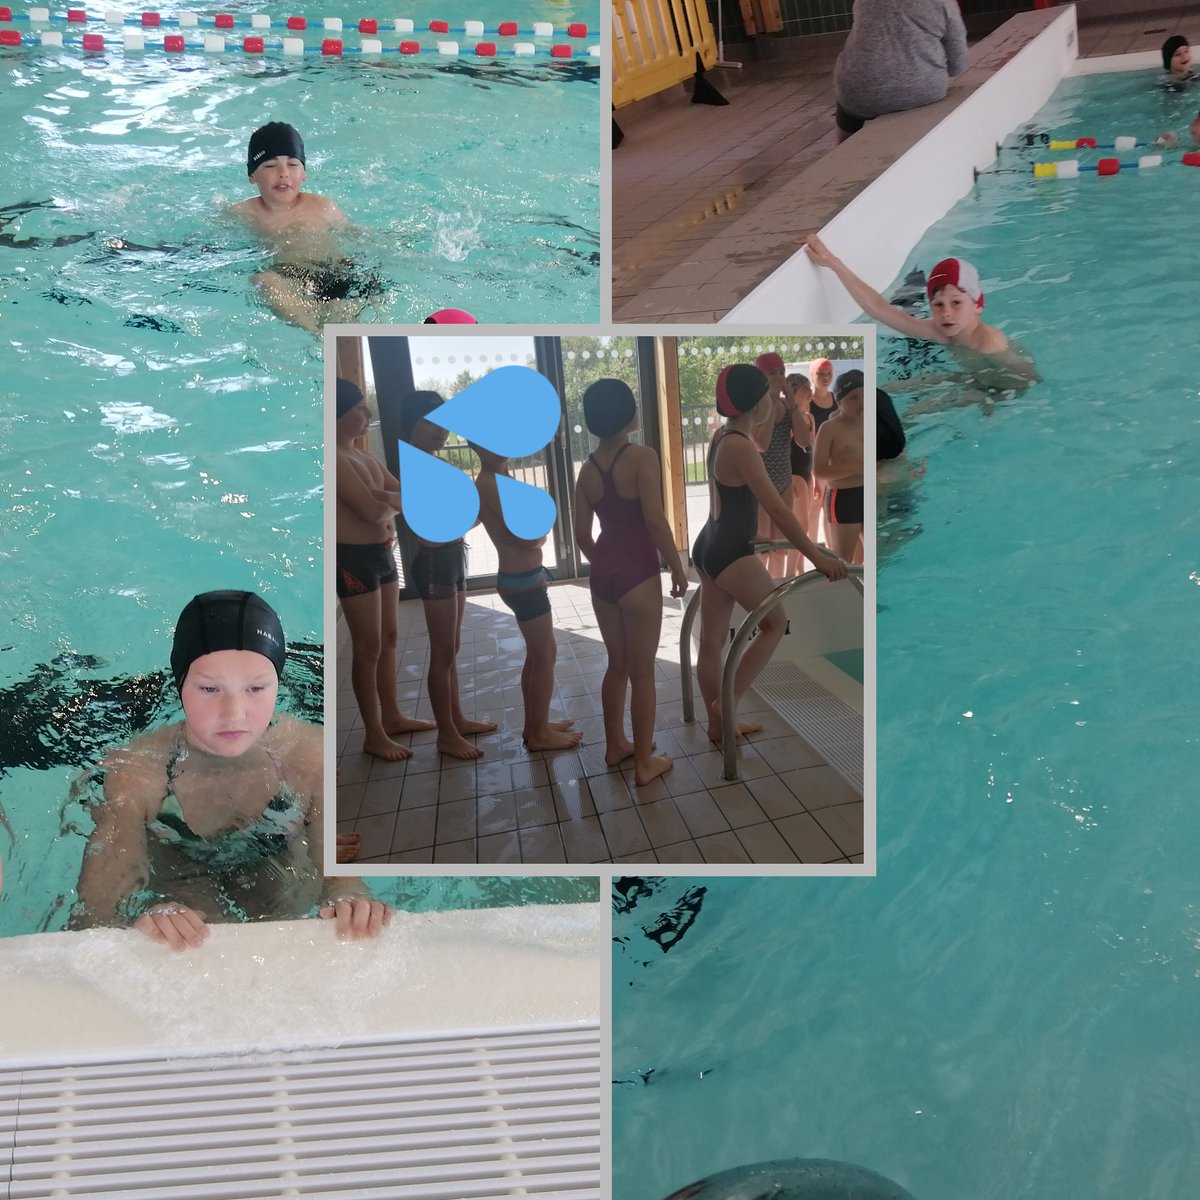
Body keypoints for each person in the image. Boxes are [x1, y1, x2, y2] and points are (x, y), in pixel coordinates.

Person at [71, 590, 390, 950]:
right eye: (209, 688)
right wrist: (143, 915)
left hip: (275, 855)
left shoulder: (309, 754)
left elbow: (342, 884)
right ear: (180, 686)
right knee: (187, 938)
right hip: (179, 863)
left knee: (288, 929)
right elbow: (93, 916)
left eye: (256, 687)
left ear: (278, 684)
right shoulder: (140, 769)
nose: (234, 713)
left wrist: (349, 896)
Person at [692, 365, 848, 745]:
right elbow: (778, 509)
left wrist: (753, 533)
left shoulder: (722, 437)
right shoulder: (742, 447)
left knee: (712, 642)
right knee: (774, 623)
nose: (774, 400)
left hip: (711, 542)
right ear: (755, 403)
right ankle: (725, 705)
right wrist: (817, 556)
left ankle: (719, 725)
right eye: (769, 394)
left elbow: (727, 500)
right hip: (730, 551)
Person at [573, 379, 689, 786]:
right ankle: (643, 763)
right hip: (638, 572)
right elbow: (654, 520)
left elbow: (581, 535)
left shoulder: (586, 470)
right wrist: (677, 567)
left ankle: (615, 746)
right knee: (642, 672)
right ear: (627, 414)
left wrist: (606, 562)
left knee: (617, 665)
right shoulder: (642, 456)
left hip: (603, 573)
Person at [805, 236, 1040, 405]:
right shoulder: (940, 330)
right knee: (885, 391)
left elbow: (1029, 378)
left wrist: (989, 399)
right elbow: (880, 309)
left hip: (1005, 390)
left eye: (956, 303)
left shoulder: (989, 343)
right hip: (975, 380)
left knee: (916, 412)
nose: (946, 313)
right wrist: (834, 264)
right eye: (938, 305)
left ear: (977, 305)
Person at [335, 378, 436, 762]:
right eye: (359, 408)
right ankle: (373, 734)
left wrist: (387, 499)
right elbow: (372, 511)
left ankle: (392, 716)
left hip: (381, 556)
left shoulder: (364, 458)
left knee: (389, 638)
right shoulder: (335, 459)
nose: (368, 414)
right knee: (368, 646)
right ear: (337, 414)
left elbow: (406, 495)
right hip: (353, 560)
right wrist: (389, 501)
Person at [402, 393, 498, 760]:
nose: (441, 430)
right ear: (411, 424)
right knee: (442, 652)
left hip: (453, 556)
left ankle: (456, 719)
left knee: (451, 648)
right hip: (436, 563)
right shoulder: (417, 467)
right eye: (432, 422)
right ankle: (446, 735)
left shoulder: (435, 464)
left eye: (444, 423)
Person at [473, 447, 583, 753]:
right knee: (545, 654)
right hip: (520, 582)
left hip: (526, 577)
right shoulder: (489, 484)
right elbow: (529, 537)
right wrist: (541, 532)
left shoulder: (500, 477)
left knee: (538, 654)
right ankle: (539, 735)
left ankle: (536, 725)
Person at [226, 122, 379, 333]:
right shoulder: (242, 213)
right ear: (252, 175)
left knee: (342, 320)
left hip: (336, 273)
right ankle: (316, 333)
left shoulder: (323, 207)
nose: (283, 173)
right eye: (270, 165)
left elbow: (356, 236)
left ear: (304, 173)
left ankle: (330, 336)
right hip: (289, 279)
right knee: (263, 281)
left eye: (292, 164)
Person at [833, 0, 968, 143]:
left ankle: (842, 148)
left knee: (848, 117)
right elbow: (957, 64)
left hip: (861, 93)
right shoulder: (943, 2)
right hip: (923, 90)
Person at [750, 353, 796, 580]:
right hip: (759, 482)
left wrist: (792, 403)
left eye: (781, 372)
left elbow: (804, 441)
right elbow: (761, 444)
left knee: (780, 548)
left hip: (784, 480)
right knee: (763, 550)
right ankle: (761, 592)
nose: (778, 378)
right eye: (772, 373)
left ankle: (777, 591)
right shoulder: (754, 408)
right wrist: (770, 403)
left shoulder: (788, 406)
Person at [814, 370, 866, 563]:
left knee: (876, 560)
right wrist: (858, 467)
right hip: (843, 498)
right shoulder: (829, 429)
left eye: (864, 396)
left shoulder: (872, 422)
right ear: (839, 401)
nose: (861, 402)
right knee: (843, 563)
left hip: (870, 492)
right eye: (853, 397)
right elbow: (819, 470)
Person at [785, 370, 818, 577]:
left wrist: (816, 479)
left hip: (807, 474)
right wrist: (787, 479)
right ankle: (790, 572)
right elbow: (783, 450)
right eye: (805, 389)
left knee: (803, 524)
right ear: (794, 392)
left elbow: (811, 448)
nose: (810, 392)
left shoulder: (810, 418)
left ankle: (797, 567)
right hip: (794, 473)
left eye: (809, 388)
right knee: (801, 525)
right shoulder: (789, 418)